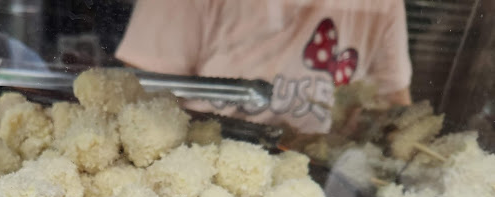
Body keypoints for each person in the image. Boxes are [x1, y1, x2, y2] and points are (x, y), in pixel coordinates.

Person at [116, 0, 413, 134]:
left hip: (325, 181)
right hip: (201, 170)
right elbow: (132, 102)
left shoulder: (382, 4)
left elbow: (393, 107)